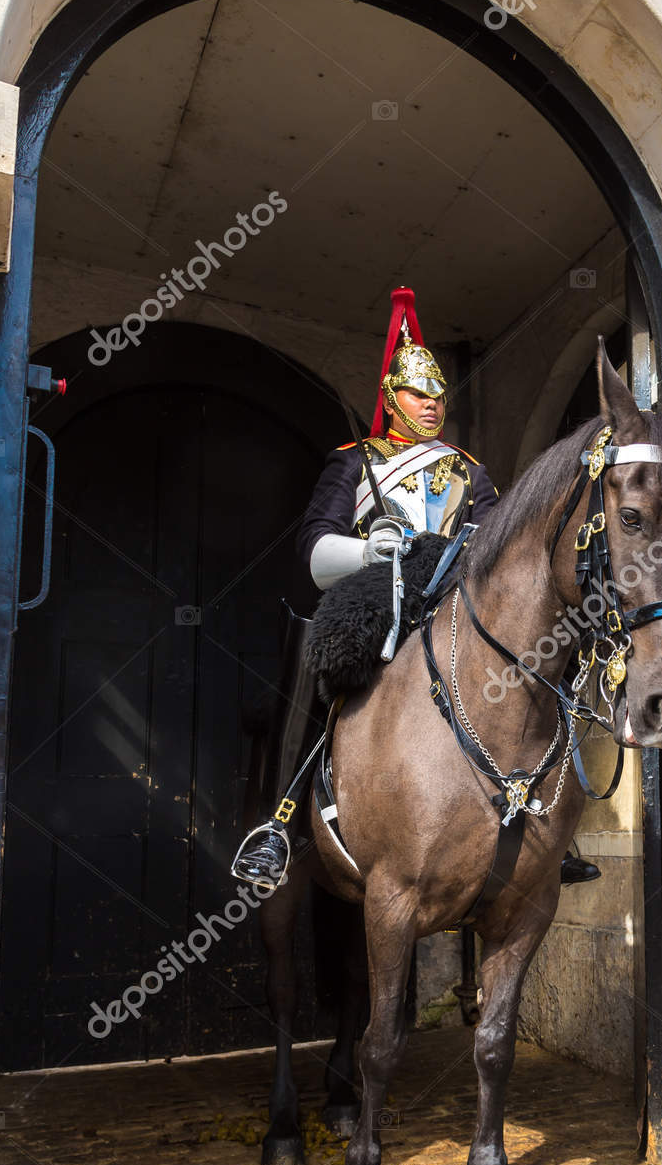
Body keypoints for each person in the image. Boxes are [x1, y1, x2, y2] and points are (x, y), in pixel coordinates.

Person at [231, 286, 600, 890]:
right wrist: (366, 550)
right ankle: (281, 823)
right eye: (417, 393)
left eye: (438, 394)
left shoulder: (469, 470)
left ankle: (548, 828)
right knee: (319, 660)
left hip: (453, 603)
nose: (432, 404)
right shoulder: (356, 460)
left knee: (535, 663)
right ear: (390, 396)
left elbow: (500, 546)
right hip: (374, 598)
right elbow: (314, 546)